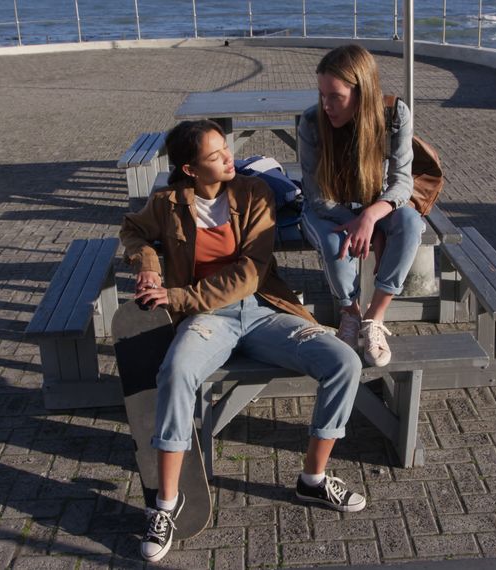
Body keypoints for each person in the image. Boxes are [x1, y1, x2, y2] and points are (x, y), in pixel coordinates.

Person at [119, 120, 366, 562]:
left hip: (263, 311)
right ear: (191, 169)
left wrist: (178, 294)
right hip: (206, 320)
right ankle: (165, 505)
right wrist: (149, 265)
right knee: (175, 374)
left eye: (225, 149)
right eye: (215, 156)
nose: (228, 158)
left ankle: (312, 479)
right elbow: (132, 230)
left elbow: (252, 271)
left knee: (344, 362)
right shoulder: (167, 202)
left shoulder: (255, 194)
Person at [298, 44, 424, 368]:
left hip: (377, 203)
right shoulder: (312, 122)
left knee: (411, 224)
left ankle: (374, 318)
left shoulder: (395, 115)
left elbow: (402, 182)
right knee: (333, 242)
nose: (326, 105)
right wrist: (354, 221)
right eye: (322, 94)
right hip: (327, 208)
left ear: (362, 91)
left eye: (335, 96)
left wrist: (370, 216)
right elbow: (314, 196)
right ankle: (349, 313)